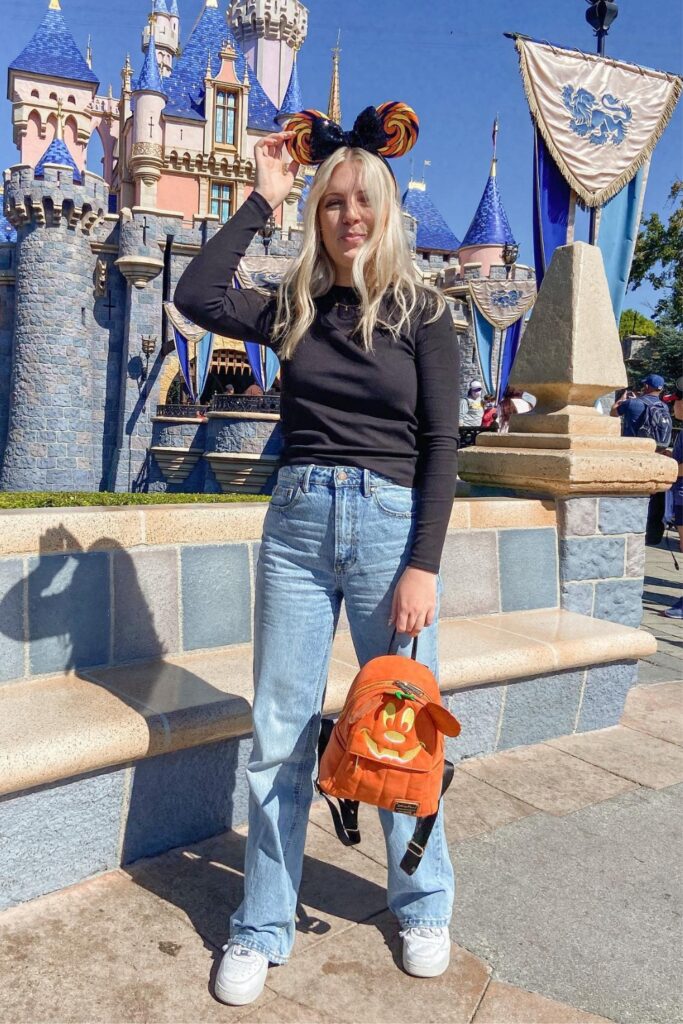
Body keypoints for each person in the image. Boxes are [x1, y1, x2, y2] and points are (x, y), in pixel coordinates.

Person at [174, 105, 460, 1006]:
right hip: (296, 525)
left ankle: (423, 902)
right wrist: (261, 197)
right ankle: (261, 923)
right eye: (332, 202)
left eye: (361, 200)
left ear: (384, 208)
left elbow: (442, 445)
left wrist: (424, 564)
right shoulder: (296, 306)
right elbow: (198, 297)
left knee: (403, 726)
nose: (348, 216)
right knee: (278, 734)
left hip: (388, 526)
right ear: (318, 213)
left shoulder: (425, 312)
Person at [611, 374, 674, 544]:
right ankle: (652, 534)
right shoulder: (665, 407)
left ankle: (627, 529)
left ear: (646, 386)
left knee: (629, 493)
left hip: (632, 454)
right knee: (653, 495)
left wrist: (623, 399)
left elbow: (613, 412)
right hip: (655, 454)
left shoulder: (632, 403)